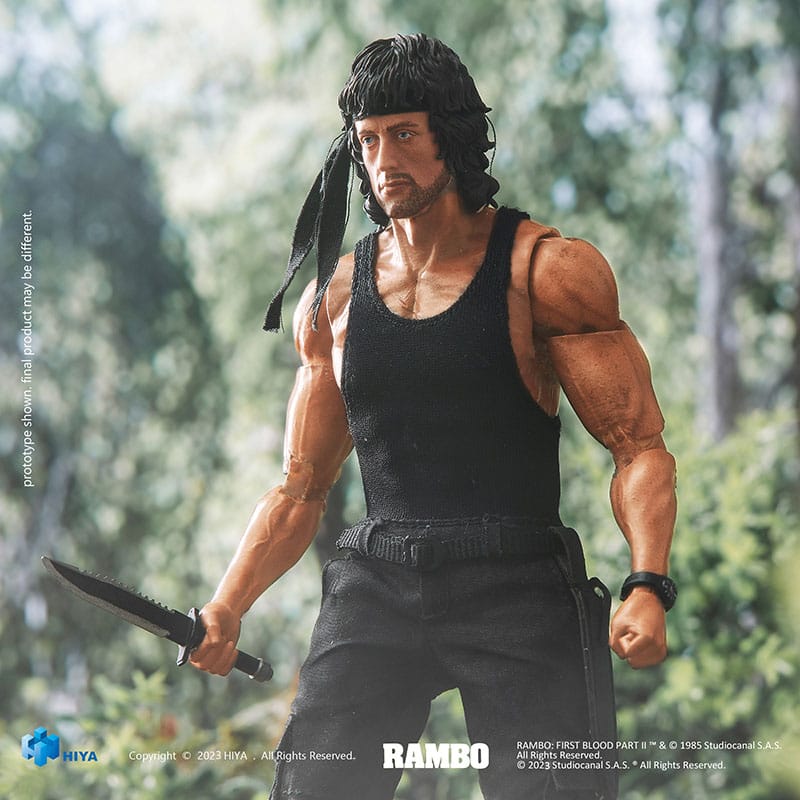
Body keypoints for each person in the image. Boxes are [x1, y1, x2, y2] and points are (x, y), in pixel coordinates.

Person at [190, 33, 677, 800]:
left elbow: (638, 446)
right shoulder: (333, 301)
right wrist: (226, 604)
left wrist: (647, 583)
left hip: (516, 581)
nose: (385, 160)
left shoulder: (547, 272)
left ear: (450, 136)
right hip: (378, 582)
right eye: (369, 140)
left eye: (405, 134)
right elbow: (300, 487)